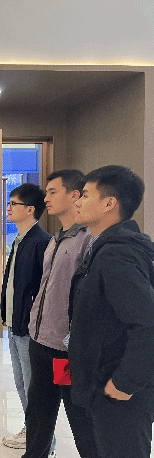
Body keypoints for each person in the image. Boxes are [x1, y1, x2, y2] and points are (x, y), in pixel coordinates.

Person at [69, 165, 154, 458]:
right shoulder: (105, 247)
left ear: (109, 204)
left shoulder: (118, 253)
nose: (78, 201)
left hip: (118, 395)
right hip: (101, 387)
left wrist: (124, 383)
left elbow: (148, 324)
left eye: (86, 195)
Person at [22, 170, 99, 458]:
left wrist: (73, 339)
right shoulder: (55, 240)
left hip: (66, 348)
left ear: (74, 195)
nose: (46, 198)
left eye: (53, 191)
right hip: (40, 340)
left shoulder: (87, 240)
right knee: (38, 411)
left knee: (80, 417)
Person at [0, 183, 51, 449]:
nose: (8, 208)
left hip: (29, 328)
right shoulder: (20, 240)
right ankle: (33, 431)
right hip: (15, 323)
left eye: (13, 204)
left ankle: (44, 442)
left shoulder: (41, 242)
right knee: (21, 383)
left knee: (34, 387)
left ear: (30, 209)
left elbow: (44, 290)